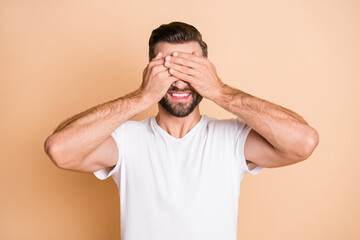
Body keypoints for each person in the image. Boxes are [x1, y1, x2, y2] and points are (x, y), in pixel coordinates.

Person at [44, 22, 319, 240]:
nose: (180, 82)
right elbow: (60, 149)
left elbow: (303, 142)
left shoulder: (231, 139)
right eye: (168, 68)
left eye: (191, 68)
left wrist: (220, 91)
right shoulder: (127, 140)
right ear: (150, 72)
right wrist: (141, 97)